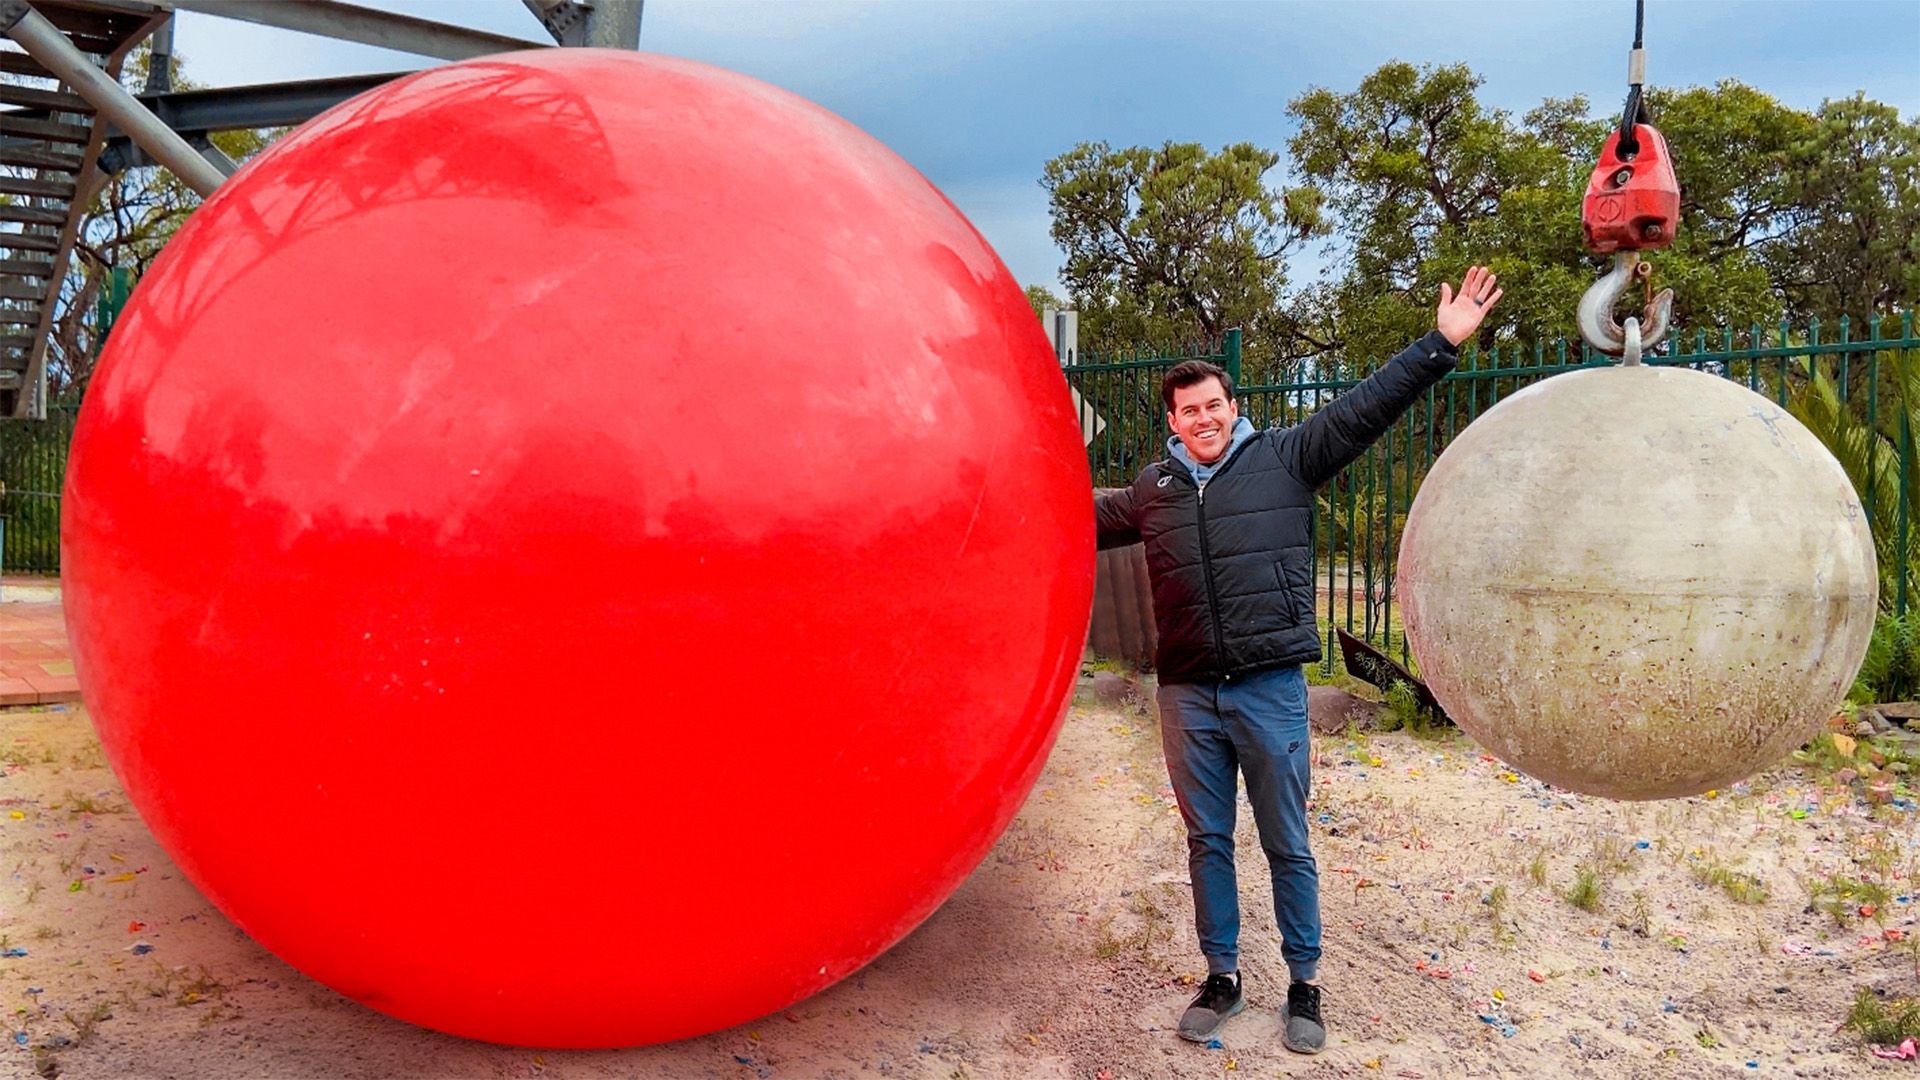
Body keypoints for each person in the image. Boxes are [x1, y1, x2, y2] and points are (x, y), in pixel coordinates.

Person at [1094, 266, 1504, 1054]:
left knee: (1286, 841)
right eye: (1188, 412)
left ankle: (1304, 983)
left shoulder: (1286, 458)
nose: (1203, 419)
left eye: (1214, 405)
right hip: (1187, 695)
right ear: (1172, 424)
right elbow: (1068, 518)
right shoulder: (1154, 489)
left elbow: (1364, 410)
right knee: (1207, 839)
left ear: (1232, 408)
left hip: (1270, 688)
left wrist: (1440, 345)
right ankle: (1222, 977)